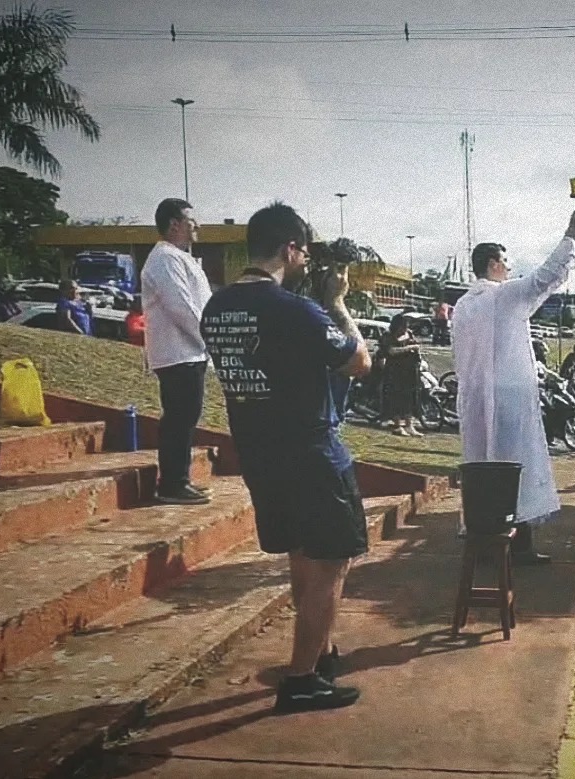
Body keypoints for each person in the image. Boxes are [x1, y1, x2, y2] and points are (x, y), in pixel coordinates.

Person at [201, 202, 372, 712]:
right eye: (303, 252)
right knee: (330, 564)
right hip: (312, 453)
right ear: (289, 249)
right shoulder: (297, 310)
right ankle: (301, 678)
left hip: (259, 451)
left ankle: (317, 656)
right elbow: (359, 363)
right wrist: (338, 304)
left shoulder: (217, 307)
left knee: (303, 555)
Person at [453, 206, 575, 565]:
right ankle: (519, 546)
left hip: (476, 401)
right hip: (509, 399)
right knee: (516, 468)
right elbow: (544, 278)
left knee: (482, 464)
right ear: (494, 265)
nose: (509, 268)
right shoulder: (502, 296)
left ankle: (485, 540)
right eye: (506, 262)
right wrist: (571, 233)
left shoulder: (464, 305)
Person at [141, 198, 215, 505]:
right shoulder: (165, 259)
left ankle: (179, 478)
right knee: (180, 417)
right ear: (174, 224)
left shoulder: (179, 257)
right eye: (190, 221)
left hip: (190, 353)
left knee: (186, 416)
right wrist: (209, 340)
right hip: (178, 353)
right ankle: (172, 483)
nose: (196, 226)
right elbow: (181, 307)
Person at [377, 316, 424, 437]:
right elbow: (391, 351)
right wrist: (409, 348)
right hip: (394, 372)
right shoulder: (388, 336)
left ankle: (409, 425)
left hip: (409, 371)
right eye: (403, 327)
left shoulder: (409, 335)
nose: (405, 330)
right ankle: (398, 425)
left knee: (409, 398)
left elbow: (415, 346)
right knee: (395, 399)